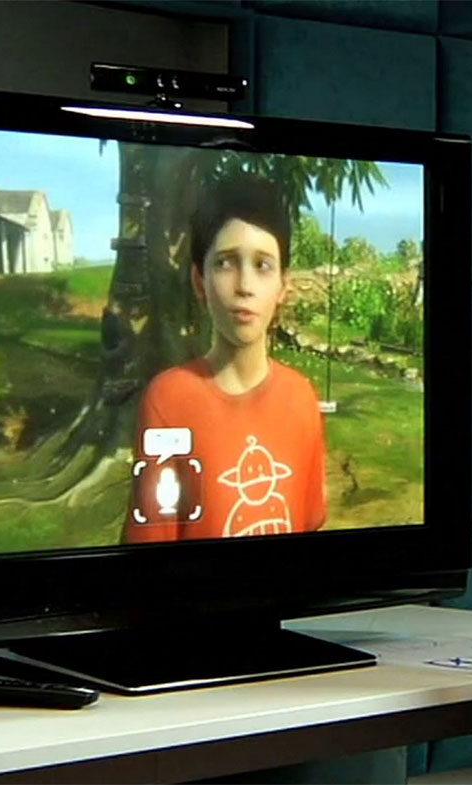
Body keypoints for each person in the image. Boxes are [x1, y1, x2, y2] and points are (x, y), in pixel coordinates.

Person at [123, 174, 327, 544]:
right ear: (199, 281)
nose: (244, 286)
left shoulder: (301, 398)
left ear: (284, 285)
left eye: (262, 265)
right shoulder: (169, 400)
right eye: (225, 263)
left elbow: (308, 522)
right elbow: (151, 549)